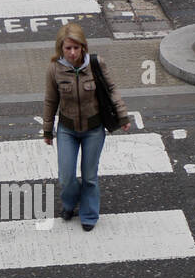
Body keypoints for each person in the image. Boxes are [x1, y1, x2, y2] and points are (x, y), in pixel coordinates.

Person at [42, 22, 130, 230]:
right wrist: (47, 130)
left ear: (83, 47)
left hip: (94, 129)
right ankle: (70, 203)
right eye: (68, 48)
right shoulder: (54, 69)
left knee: (90, 177)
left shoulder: (96, 64)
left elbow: (111, 89)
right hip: (67, 130)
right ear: (60, 49)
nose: (73, 53)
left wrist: (122, 116)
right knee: (66, 176)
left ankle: (89, 214)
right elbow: (50, 101)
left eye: (76, 47)